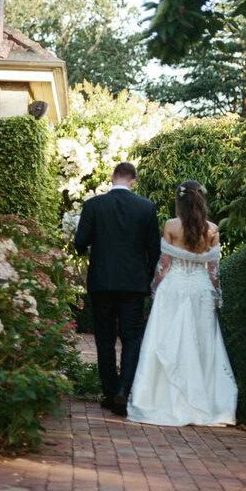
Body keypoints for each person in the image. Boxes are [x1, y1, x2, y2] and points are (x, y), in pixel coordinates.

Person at [126, 180, 238, 427]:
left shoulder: (170, 226)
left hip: (173, 290)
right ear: (201, 200)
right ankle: (202, 403)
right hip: (200, 292)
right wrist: (217, 294)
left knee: (165, 340)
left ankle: (161, 400)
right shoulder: (212, 230)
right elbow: (213, 268)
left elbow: (164, 263)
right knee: (201, 345)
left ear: (179, 201)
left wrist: (154, 287)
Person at [74, 162, 161, 416]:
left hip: (102, 282)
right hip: (134, 284)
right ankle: (124, 389)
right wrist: (149, 279)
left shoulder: (93, 205)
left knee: (105, 338)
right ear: (133, 180)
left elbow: (80, 243)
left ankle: (110, 394)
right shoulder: (146, 207)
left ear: (112, 178)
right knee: (132, 337)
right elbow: (154, 250)